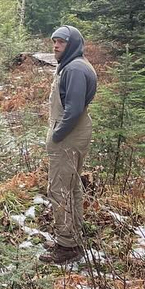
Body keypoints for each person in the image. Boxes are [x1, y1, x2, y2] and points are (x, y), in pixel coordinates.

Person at [40, 25, 97, 266]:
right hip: (76, 132)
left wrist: (57, 135)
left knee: (59, 189)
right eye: (54, 41)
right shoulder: (76, 64)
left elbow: (73, 110)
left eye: (61, 42)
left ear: (72, 44)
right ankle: (73, 235)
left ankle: (67, 245)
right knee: (72, 186)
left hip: (69, 136)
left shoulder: (74, 69)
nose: (55, 46)